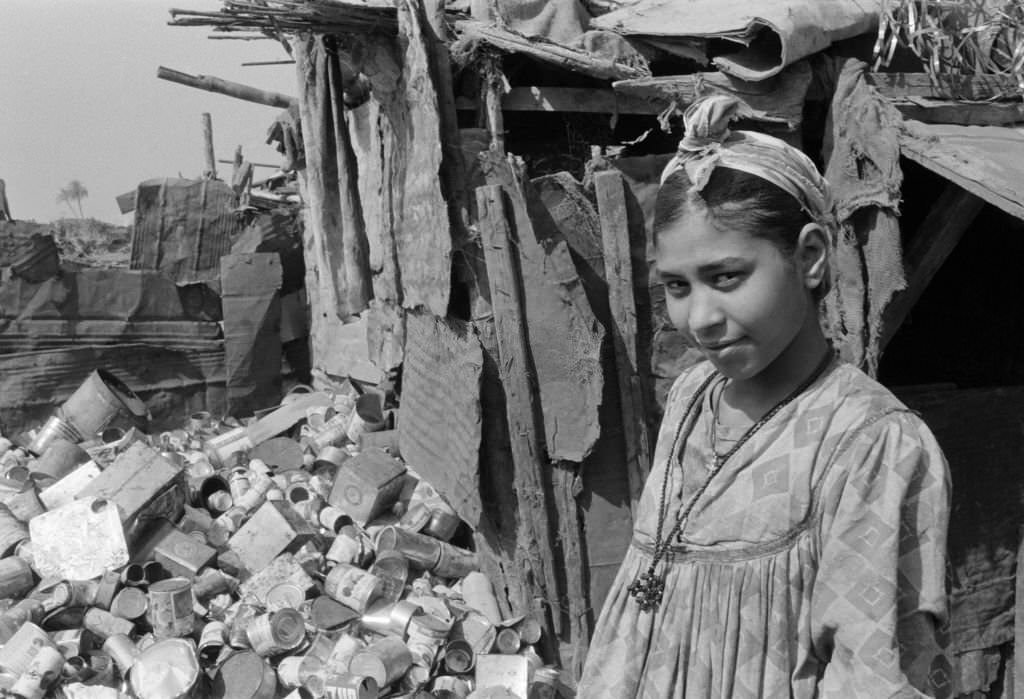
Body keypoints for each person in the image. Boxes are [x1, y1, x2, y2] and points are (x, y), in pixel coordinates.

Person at [577, 95, 951, 698]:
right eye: (676, 286)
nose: (699, 317)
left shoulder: (870, 444)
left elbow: (875, 673)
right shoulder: (694, 395)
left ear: (809, 256)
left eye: (727, 278)